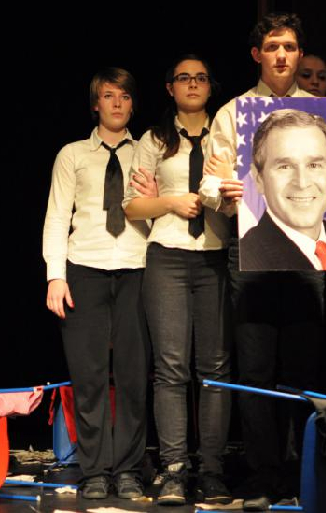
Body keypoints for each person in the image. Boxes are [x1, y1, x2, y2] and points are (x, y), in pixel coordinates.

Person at [200, 12, 326, 509]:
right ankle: (263, 475)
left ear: (300, 54)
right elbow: (209, 184)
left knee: (304, 369)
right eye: (272, 46)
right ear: (257, 55)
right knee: (255, 370)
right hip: (252, 250)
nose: (281, 55)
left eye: (290, 47)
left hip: (310, 256)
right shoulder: (233, 113)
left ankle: (300, 474)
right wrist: (224, 191)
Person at [123, 55, 232, 505]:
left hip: (215, 257)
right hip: (167, 256)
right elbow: (132, 205)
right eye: (183, 78)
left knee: (215, 369)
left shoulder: (226, 135)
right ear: (170, 87)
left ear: (210, 86)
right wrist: (171, 201)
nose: (192, 84)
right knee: (171, 369)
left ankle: (213, 470)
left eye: (200, 78)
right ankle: (173, 470)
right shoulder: (154, 139)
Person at [42, 68, 151, 500]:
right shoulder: (72, 154)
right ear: (95, 104)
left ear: (133, 104)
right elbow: (57, 215)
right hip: (84, 267)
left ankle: (128, 469)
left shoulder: (147, 150)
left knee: (133, 375)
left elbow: (157, 211)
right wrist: (55, 275)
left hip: (136, 266)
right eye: (109, 95)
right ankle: (94, 471)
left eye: (125, 96)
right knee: (88, 377)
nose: (117, 103)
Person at [240, 109, 326, 271]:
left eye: (314, 165)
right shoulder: (249, 257)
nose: (302, 183)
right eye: (285, 166)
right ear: (259, 179)